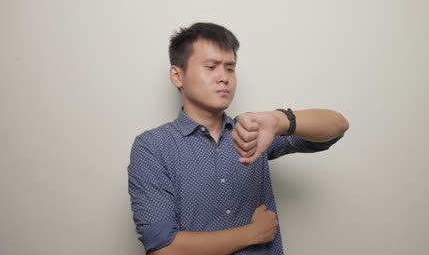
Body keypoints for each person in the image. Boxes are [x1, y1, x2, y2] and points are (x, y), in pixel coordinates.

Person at [128, 22, 349, 255]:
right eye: (211, 67)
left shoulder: (255, 130)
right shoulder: (152, 147)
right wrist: (253, 233)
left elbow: (337, 126)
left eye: (230, 69)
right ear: (177, 75)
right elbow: (164, 248)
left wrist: (278, 121)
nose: (224, 77)